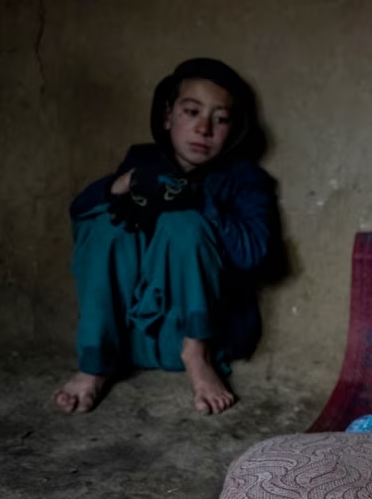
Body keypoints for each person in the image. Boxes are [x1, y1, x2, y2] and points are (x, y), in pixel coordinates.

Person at [54, 58, 279, 415]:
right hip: (129, 339)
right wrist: (123, 184)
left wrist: (199, 199)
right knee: (103, 223)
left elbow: (254, 254)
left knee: (183, 224)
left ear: (233, 131)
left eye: (220, 119)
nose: (203, 128)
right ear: (166, 117)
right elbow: (79, 212)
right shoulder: (143, 162)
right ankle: (94, 364)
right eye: (192, 111)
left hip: (196, 335)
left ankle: (197, 359)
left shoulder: (245, 179)